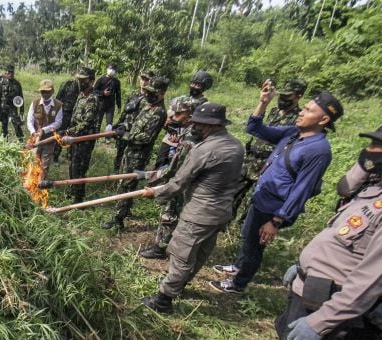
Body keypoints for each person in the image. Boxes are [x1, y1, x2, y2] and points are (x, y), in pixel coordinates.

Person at [211, 82, 343, 294]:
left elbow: (302, 190)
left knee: (255, 246)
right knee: (247, 236)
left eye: (308, 110)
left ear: (324, 119)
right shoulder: (293, 133)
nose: (301, 111)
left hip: (273, 208)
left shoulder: (318, 150)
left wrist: (276, 221)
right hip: (261, 198)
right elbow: (254, 128)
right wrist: (263, 103)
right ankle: (238, 266)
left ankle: (238, 283)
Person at [269, 150, 382, 340]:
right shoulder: (373, 191)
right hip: (311, 289)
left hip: (330, 304)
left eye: (378, 146)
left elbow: (371, 281)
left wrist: (320, 323)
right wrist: (303, 265)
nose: (370, 152)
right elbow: (340, 239)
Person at [140, 103, 244, 313]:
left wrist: (155, 192)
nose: (193, 125)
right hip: (221, 211)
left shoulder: (205, 149)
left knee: (182, 255)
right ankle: (179, 285)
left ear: (209, 125)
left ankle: (164, 300)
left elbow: (179, 182)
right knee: (200, 253)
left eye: (197, 123)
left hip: (200, 212)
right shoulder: (236, 145)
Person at [233, 79, 307, 220]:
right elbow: (256, 129)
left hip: (267, 167)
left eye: (287, 96)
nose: (282, 99)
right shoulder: (274, 111)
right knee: (233, 195)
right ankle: (223, 226)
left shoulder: (300, 119)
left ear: (298, 96)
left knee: (255, 204)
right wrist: (263, 101)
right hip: (251, 161)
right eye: (281, 95)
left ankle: (242, 233)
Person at [101, 77, 168, 230]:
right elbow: (135, 122)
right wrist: (124, 126)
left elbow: (146, 137)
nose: (148, 94)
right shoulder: (148, 106)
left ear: (162, 93)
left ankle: (118, 219)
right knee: (122, 182)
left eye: (153, 92)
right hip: (129, 150)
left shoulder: (159, 112)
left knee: (128, 185)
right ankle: (122, 211)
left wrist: (126, 136)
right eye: (148, 91)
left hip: (138, 155)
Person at [139, 96, 198, 259]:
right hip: (185, 179)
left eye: (178, 113)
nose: (172, 116)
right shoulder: (189, 130)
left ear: (191, 114)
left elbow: (174, 170)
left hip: (183, 182)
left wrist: (147, 175)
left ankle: (161, 247)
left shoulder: (191, 138)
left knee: (169, 213)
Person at [153, 71, 212, 169]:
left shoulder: (205, 106)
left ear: (204, 87)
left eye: (197, 85)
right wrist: (171, 130)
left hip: (187, 142)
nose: (193, 86)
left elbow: (202, 128)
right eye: (192, 83)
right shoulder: (180, 99)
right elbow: (167, 118)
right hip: (170, 140)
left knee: (176, 168)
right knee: (159, 164)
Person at [66, 67, 101, 204]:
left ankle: (79, 198)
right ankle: (72, 189)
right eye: (79, 79)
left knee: (79, 167)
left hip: (84, 139)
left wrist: (70, 131)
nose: (80, 82)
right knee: (71, 164)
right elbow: (75, 116)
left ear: (91, 81)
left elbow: (87, 122)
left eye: (83, 80)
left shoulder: (93, 99)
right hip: (74, 137)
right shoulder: (81, 95)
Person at [112, 70, 153, 173]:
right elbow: (125, 111)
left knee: (130, 159)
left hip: (136, 133)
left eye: (147, 80)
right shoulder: (133, 94)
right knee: (120, 154)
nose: (144, 82)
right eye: (142, 79)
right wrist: (118, 124)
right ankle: (116, 176)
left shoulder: (151, 99)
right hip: (125, 128)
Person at [26, 79, 63, 180]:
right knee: (33, 162)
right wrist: (33, 132)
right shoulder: (35, 103)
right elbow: (29, 120)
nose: (45, 94)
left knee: (45, 166)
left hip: (49, 140)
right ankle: (31, 184)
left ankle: (41, 186)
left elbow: (58, 122)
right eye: (42, 92)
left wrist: (45, 130)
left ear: (52, 91)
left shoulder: (58, 105)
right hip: (35, 139)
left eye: (47, 92)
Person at [53, 74, 80, 163]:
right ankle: (55, 156)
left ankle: (70, 156)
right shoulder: (67, 84)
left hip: (76, 116)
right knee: (61, 134)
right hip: (65, 113)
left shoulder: (84, 88)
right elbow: (58, 99)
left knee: (73, 135)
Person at [0, 65, 24, 139]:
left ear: (14, 73)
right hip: (3, 108)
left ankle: (21, 140)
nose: (10, 74)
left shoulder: (17, 84)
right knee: (4, 127)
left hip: (13, 108)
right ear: (6, 73)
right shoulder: (2, 82)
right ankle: (5, 142)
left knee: (17, 125)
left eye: (12, 72)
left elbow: (21, 98)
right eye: (9, 72)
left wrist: (21, 111)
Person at [93, 62, 121, 134]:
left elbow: (118, 94)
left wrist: (119, 106)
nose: (112, 70)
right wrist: (103, 93)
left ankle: (107, 138)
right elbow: (94, 91)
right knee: (98, 122)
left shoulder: (117, 82)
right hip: (100, 104)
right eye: (110, 68)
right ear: (107, 69)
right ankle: (96, 136)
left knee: (109, 124)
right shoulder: (100, 80)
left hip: (111, 105)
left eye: (114, 69)